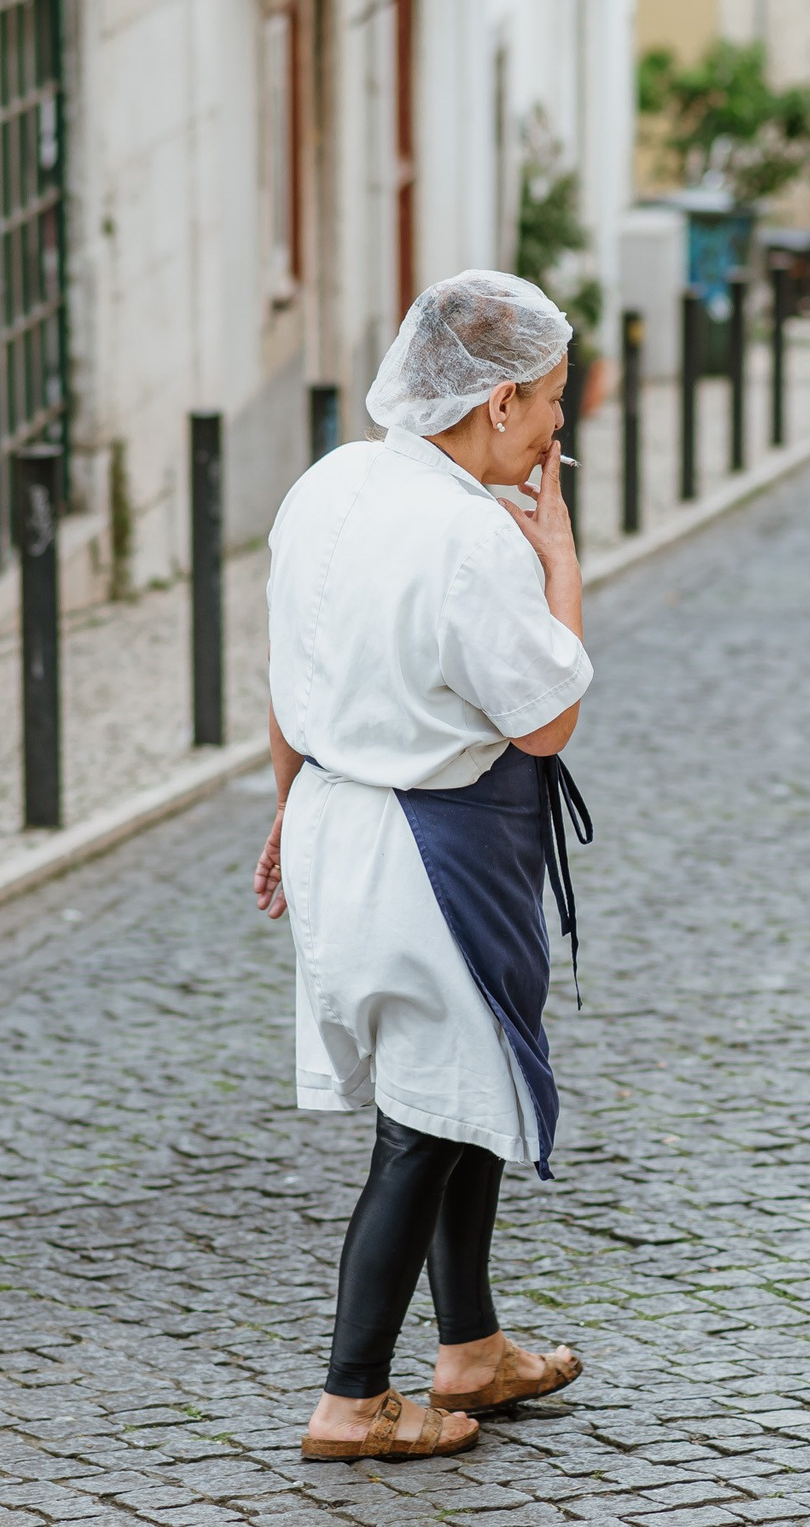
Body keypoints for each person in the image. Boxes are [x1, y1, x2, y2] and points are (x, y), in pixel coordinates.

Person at [253, 270, 596, 1463]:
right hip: (430, 856)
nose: (562, 426)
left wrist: (290, 811)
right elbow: (547, 714)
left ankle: (471, 1347)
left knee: (460, 1093)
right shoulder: (469, 539)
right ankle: (352, 1395)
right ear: (497, 403)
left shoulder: (328, 483)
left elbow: (291, 677)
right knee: (424, 1122)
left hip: (341, 822)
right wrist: (555, 549)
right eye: (552, 401)